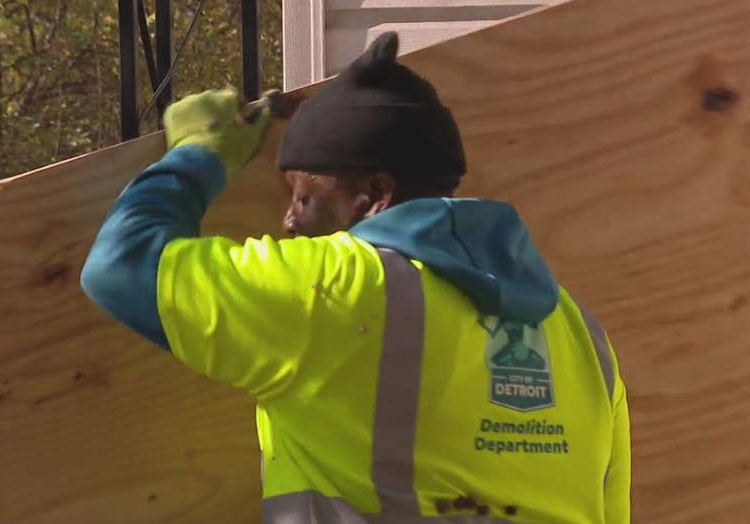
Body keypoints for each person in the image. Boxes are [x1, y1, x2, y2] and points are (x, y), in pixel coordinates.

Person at [80, 31, 630, 524]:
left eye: (303, 196)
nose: (290, 221)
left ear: (374, 195)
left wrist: (199, 158)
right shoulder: (578, 333)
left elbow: (121, 265)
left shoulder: (340, 291)